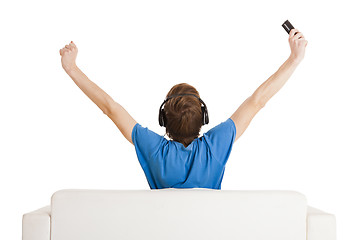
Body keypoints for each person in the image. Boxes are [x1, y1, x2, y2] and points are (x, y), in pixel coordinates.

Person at [59, 28, 307, 189]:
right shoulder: (216, 146)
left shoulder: (154, 150)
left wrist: (71, 68)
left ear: (163, 120)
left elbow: (110, 108)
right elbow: (258, 100)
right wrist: (294, 59)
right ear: (204, 118)